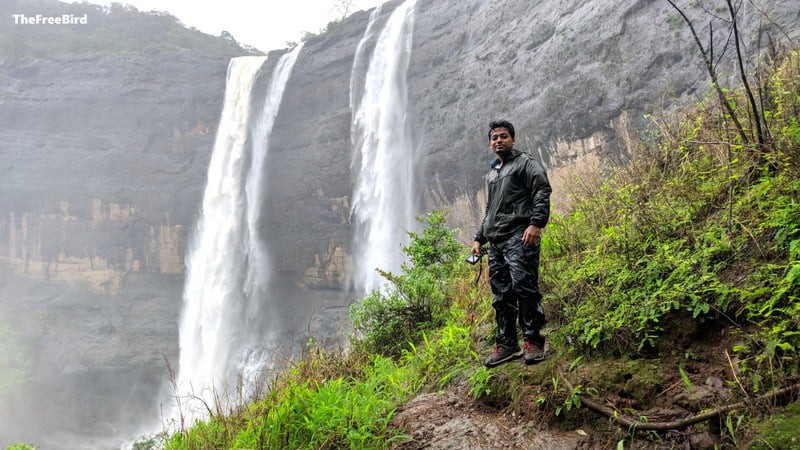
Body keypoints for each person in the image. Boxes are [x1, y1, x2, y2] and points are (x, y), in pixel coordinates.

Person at [472, 119, 552, 367]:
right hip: (496, 241)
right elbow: (490, 209)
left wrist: (536, 224)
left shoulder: (526, 164)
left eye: (503, 136)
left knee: (524, 286)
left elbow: (542, 191)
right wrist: (478, 237)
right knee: (501, 294)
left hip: (520, 235)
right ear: (489, 143)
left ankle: (533, 342)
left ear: (513, 139)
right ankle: (507, 344)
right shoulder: (494, 172)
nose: (499, 141)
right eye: (494, 138)